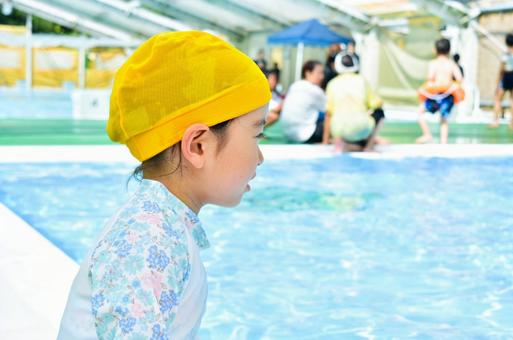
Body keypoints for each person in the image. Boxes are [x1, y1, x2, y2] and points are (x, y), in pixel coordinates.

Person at [57, 31, 270, 338]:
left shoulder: (162, 226)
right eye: (257, 136)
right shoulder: (149, 240)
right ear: (198, 146)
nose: (260, 157)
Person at [323, 54, 385, 152]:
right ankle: (368, 146)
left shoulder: (332, 83)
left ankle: (341, 142)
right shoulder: (362, 80)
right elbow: (378, 104)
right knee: (379, 113)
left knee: (341, 121)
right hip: (361, 128)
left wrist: (325, 142)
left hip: (338, 130)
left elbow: (328, 114)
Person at [416, 38, 464, 144]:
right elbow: (459, 78)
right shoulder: (451, 64)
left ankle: (427, 134)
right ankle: (443, 141)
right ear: (449, 50)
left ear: (435, 50)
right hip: (447, 96)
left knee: (420, 112)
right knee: (444, 119)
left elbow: (430, 78)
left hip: (435, 94)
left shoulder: (433, 63)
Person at [280, 60, 326, 143]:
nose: (322, 77)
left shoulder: (295, 85)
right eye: (319, 73)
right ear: (308, 73)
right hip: (306, 134)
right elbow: (330, 110)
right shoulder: (315, 90)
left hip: (287, 133)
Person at [491, 33, 513, 129]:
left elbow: (501, 69)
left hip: (506, 76)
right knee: (512, 100)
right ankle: (511, 123)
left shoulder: (506, 53)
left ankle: (496, 121)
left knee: (497, 100)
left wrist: (497, 81)